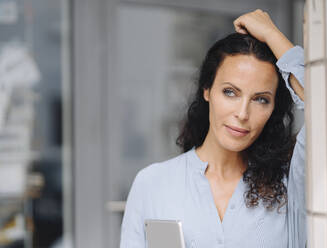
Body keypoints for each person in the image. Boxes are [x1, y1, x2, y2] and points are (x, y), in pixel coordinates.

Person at [120, 9, 305, 248]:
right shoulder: (152, 183)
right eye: (230, 92)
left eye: (261, 99)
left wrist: (273, 36)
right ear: (207, 90)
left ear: (273, 109)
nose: (242, 113)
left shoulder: (291, 183)